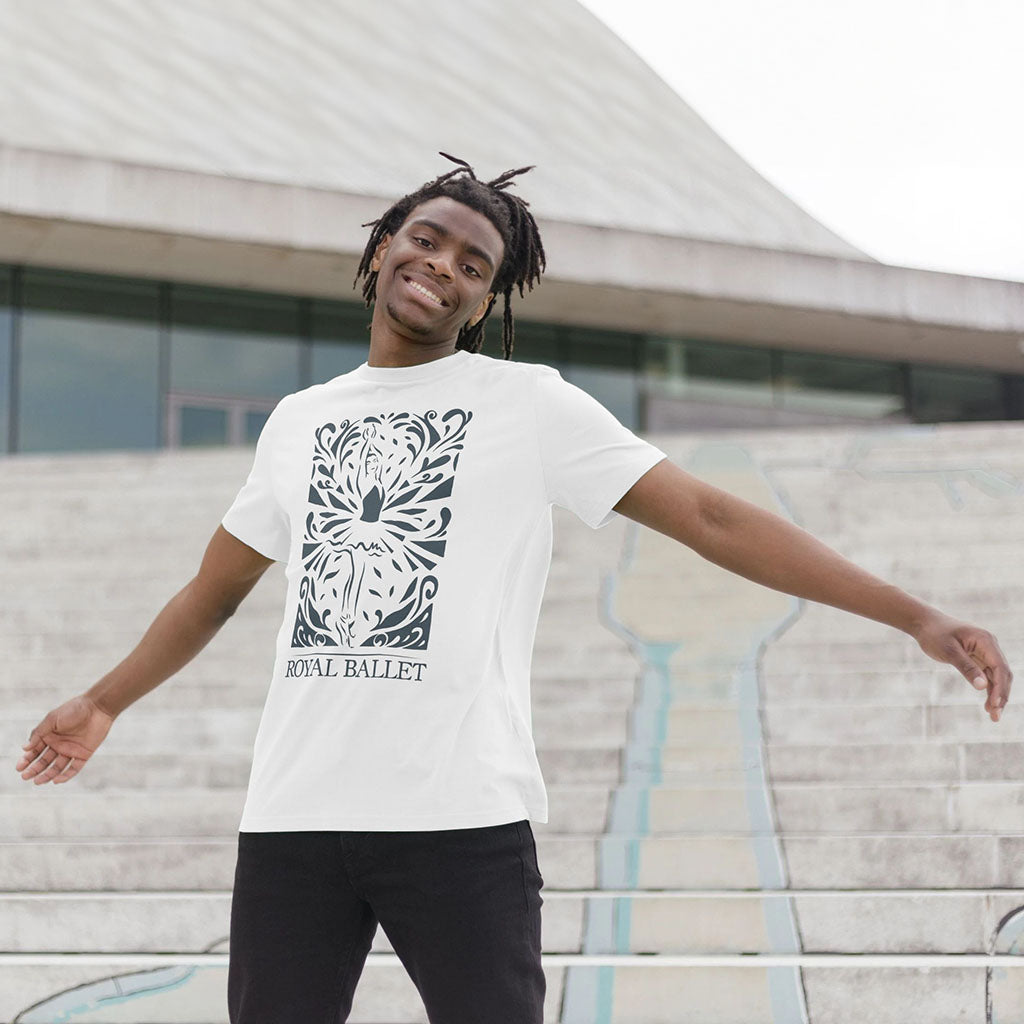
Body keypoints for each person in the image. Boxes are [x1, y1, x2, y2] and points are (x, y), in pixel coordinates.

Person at [14, 153, 1013, 1024]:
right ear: (382, 249)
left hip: (458, 818)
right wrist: (104, 700)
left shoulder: (527, 405)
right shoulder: (299, 420)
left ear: (484, 302)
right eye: (426, 240)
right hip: (293, 816)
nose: (441, 265)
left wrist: (914, 615)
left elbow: (710, 516)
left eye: (472, 264)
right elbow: (214, 590)